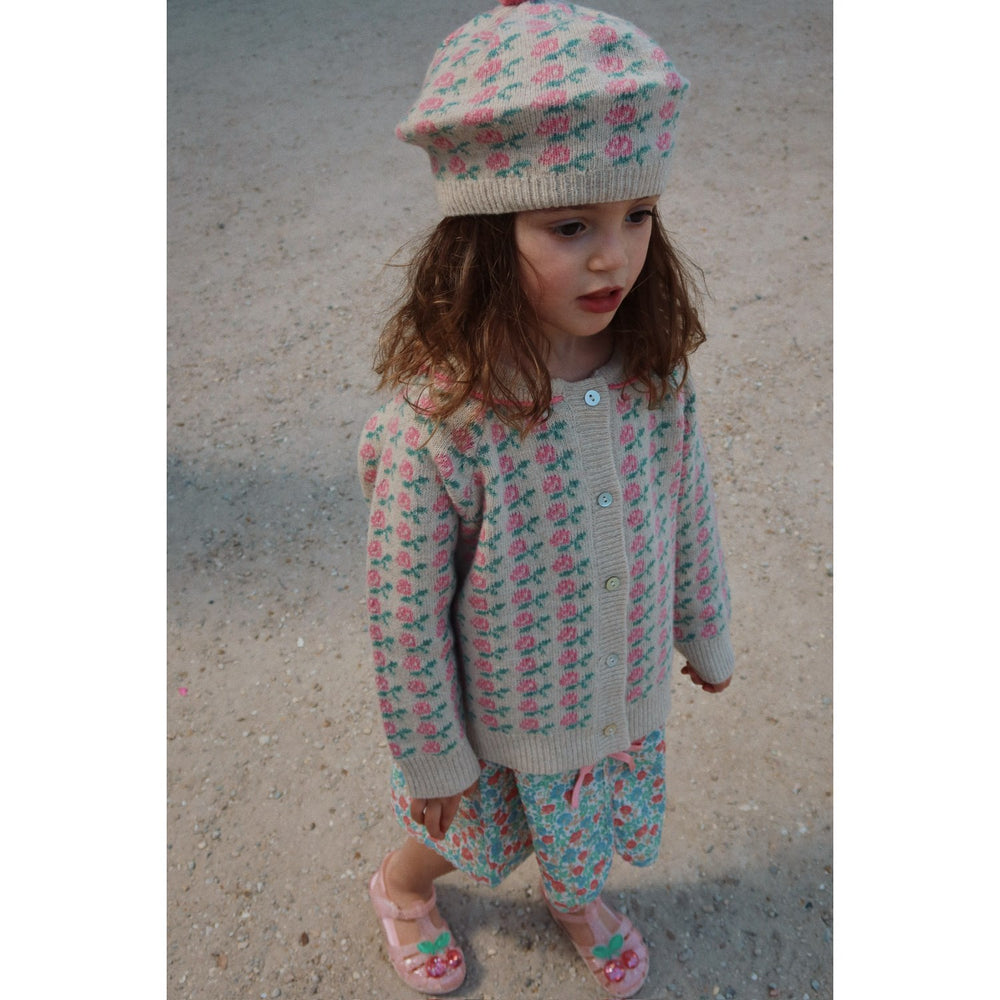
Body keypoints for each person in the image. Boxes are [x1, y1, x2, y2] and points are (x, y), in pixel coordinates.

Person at [357, 1, 734, 994]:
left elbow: (686, 506)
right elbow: (403, 610)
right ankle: (402, 886)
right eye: (570, 225)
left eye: (636, 215)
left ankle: (574, 895)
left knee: (586, 818)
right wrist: (435, 756)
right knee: (470, 831)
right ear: (485, 235)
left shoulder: (652, 377)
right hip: (499, 716)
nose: (614, 255)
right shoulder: (440, 426)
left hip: (613, 689)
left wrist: (704, 624)